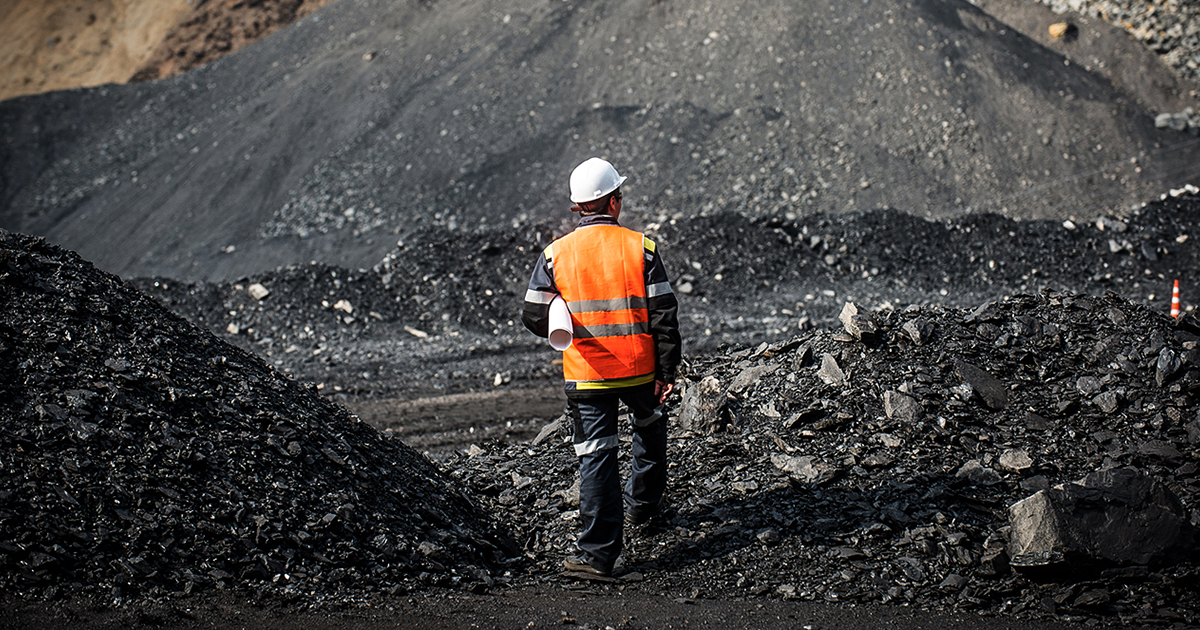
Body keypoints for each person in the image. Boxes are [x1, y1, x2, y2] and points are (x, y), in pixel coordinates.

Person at [522, 157, 682, 576]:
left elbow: (533, 316)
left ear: (579, 208)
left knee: (597, 458)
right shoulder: (641, 248)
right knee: (649, 433)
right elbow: (665, 314)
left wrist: (560, 311)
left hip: (587, 375)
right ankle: (645, 509)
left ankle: (598, 557)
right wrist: (667, 371)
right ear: (613, 203)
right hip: (640, 371)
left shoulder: (555, 255)